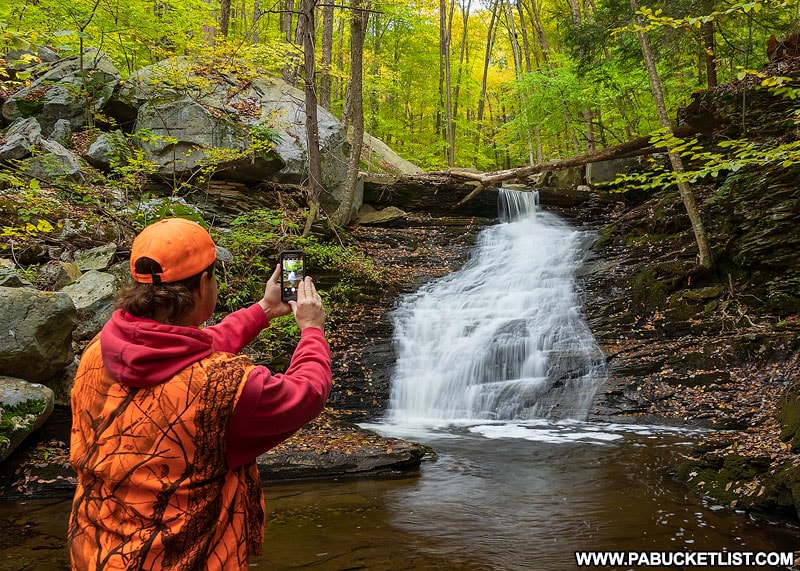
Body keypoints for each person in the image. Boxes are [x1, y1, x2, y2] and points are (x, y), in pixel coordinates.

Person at [68, 218, 331, 570]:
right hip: (182, 559)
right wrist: (312, 331)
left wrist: (264, 310)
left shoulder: (101, 348)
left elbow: (187, 348)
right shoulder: (224, 386)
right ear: (202, 285)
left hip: (98, 551)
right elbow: (306, 394)